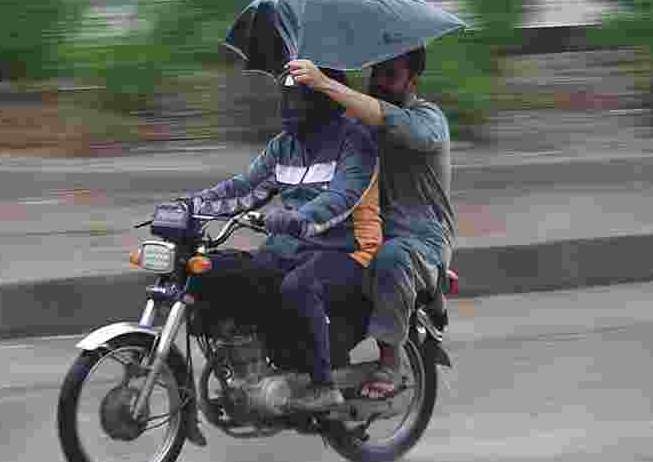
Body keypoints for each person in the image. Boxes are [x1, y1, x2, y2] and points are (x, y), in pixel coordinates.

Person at [185, 68, 382, 413]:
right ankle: (252, 368)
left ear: (324, 100)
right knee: (223, 274)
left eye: (299, 99)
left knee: (299, 286)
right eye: (287, 98)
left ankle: (324, 385)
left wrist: (298, 219)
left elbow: (341, 198)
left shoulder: (355, 142)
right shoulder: (283, 146)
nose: (289, 107)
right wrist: (190, 206)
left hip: (345, 249)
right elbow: (245, 188)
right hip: (291, 246)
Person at [285, 47, 455, 400]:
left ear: (412, 79)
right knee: (287, 257)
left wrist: (325, 82)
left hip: (417, 236)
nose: (379, 81)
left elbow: (385, 118)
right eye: (376, 72)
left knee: (391, 257)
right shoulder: (361, 123)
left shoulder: (427, 120)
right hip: (365, 231)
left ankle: (390, 361)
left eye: (391, 75)